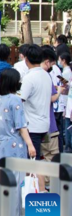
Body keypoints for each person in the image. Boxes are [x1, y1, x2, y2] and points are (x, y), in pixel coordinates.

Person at [0, 69, 35, 216]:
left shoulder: (1, 99)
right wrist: (30, 145)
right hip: (15, 145)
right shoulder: (15, 100)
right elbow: (21, 126)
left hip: (2, 144)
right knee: (16, 181)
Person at [20, 45, 54, 163]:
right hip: (44, 124)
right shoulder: (46, 75)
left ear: (26, 59)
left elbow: (20, 99)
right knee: (38, 159)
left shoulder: (29, 77)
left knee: (33, 163)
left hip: (32, 126)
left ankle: (38, 182)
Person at [39, 48, 62, 191]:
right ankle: (48, 185)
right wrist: (59, 91)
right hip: (48, 125)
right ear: (47, 62)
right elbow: (51, 99)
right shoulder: (45, 76)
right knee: (52, 155)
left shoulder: (30, 75)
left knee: (41, 155)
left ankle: (43, 187)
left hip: (35, 127)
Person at [60, 52, 72, 153]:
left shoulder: (66, 72)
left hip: (70, 112)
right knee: (68, 136)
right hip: (68, 110)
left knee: (69, 138)